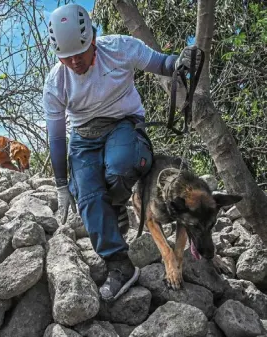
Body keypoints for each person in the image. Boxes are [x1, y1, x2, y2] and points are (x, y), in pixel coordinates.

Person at [43, 3, 202, 302]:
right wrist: (62, 184)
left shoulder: (119, 49)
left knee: (119, 167)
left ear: (93, 40)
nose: (75, 62)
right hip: (84, 136)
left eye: (80, 53)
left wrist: (181, 60)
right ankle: (119, 265)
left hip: (123, 124)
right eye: (67, 58)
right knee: (88, 197)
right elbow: (56, 137)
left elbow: (162, 63)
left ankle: (115, 203)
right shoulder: (56, 82)